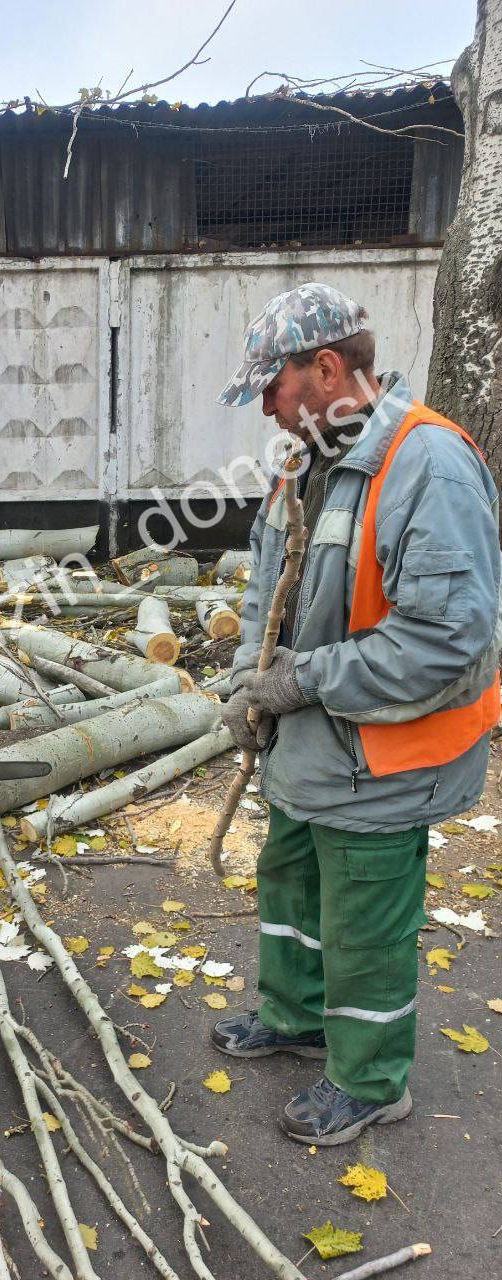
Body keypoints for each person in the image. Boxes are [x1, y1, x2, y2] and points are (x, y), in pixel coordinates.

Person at [215, 282, 501, 1145]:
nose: (266, 408)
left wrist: (301, 684)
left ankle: (371, 1079)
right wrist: (245, 681)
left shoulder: (430, 465)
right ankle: (297, 1017)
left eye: (274, 385)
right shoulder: (303, 460)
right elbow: (268, 587)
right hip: (310, 750)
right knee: (292, 884)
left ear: (329, 367)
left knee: (365, 922)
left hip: (385, 758)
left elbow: (451, 641)